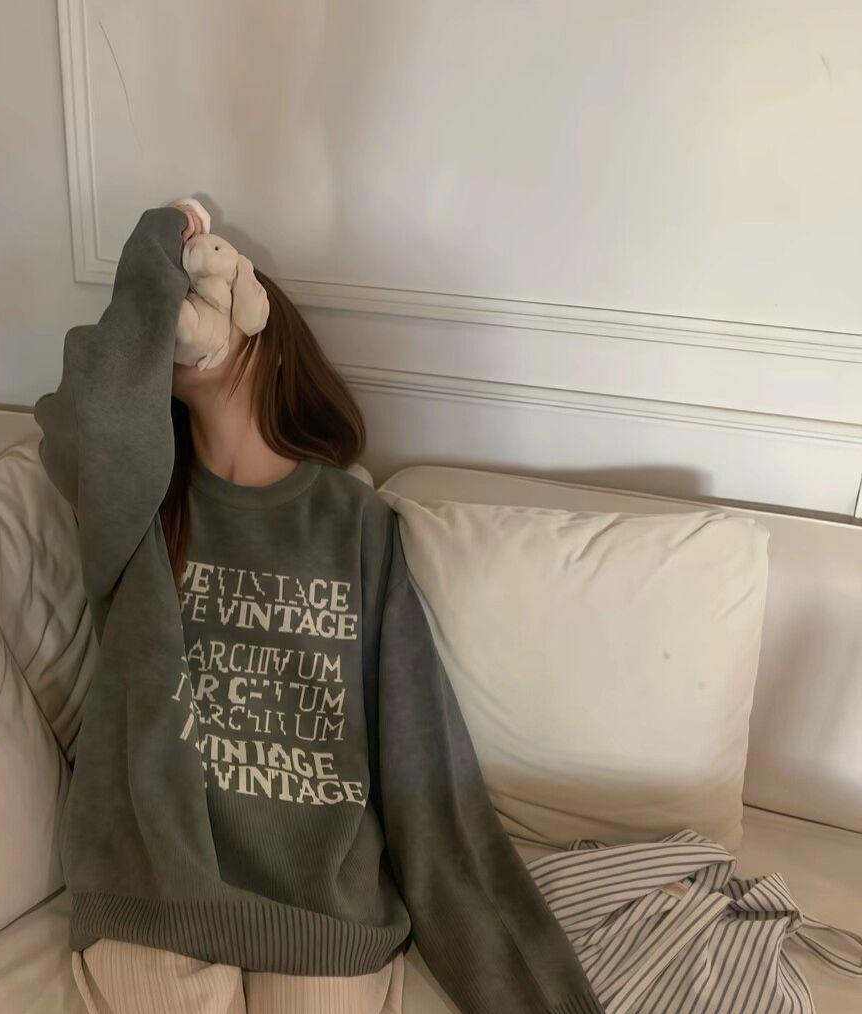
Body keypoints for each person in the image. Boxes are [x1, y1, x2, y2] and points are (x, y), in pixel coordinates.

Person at [35, 199, 601, 1014]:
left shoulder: (355, 523)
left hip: (322, 907)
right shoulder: (139, 508)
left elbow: (423, 759)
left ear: (264, 325)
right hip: (151, 887)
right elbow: (90, 413)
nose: (188, 319)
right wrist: (163, 237)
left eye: (209, 296)